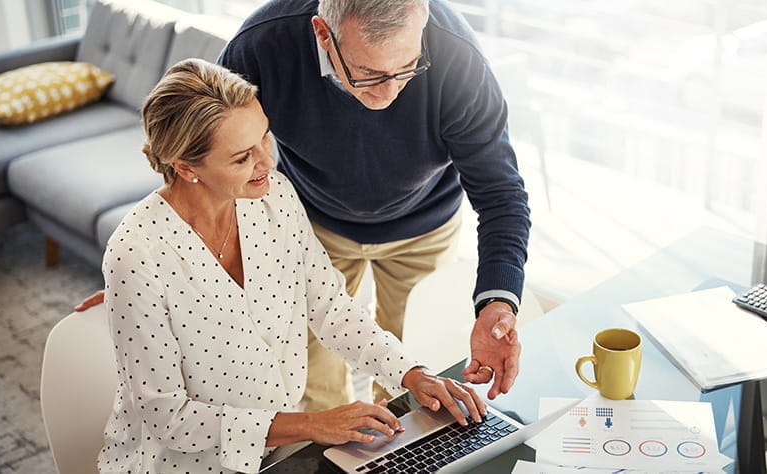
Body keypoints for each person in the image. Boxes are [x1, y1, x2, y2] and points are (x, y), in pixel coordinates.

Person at [78, 0, 530, 412]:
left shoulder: (458, 59)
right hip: (313, 224)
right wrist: (163, 279)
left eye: (409, 67)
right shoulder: (260, 47)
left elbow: (502, 194)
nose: (389, 92)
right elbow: (199, 150)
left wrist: (497, 301)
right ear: (321, 32)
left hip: (424, 226)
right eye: (368, 73)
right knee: (317, 396)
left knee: (416, 389)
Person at [96, 58, 486, 474]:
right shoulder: (136, 257)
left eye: (265, 137)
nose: (269, 162)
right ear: (186, 167)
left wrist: (411, 373)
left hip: (280, 452)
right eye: (243, 157)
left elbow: (331, 308)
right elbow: (166, 417)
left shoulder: (273, 198)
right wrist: (313, 425)